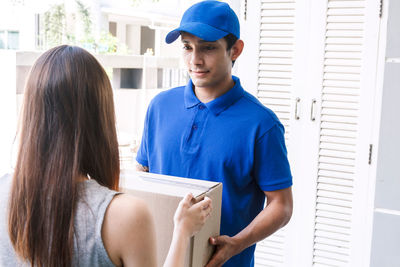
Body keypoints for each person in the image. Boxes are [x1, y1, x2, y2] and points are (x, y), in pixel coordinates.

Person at [0, 45, 212, 267]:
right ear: (100, 118)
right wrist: (182, 232)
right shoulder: (124, 215)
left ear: (32, 114)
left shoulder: (4, 190)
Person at [136, 1, 293, 266]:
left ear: (235, 50)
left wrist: (237, 244)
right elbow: (143, 174)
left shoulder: (262, 124)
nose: (195, 60)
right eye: (187, 47)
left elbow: (282, 205)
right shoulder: (160, 107)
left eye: (208, 47)